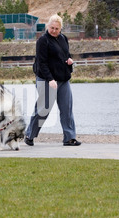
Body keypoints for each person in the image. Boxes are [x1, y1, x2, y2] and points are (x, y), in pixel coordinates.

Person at [25, 14, 81, 147]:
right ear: (47, 26)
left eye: (57, 28)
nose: (54, 30)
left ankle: (69, 138)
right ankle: (29, 135)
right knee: (43, 110)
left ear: (60, 29)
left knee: (67, 109)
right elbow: (42, 63)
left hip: (63, 79)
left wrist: (69, 60)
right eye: (52, 28)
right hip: (46, 79)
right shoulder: (43, 41)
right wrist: (50, 79)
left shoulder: (63, 39)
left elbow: (65, 54)